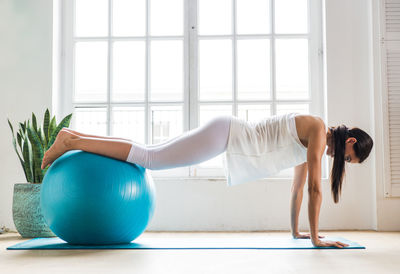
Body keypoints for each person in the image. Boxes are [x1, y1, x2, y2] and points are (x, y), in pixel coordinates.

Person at [40, 112, 373, 248]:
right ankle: (72, 142)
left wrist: (297, 232)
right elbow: (316, 187)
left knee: (149, 152)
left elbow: (298, 188)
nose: (339, 161)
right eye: (347, 158)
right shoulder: (317, 129)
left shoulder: (311, 143)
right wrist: (317, 239)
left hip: (226, 134)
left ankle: (73, 135)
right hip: (227, 135)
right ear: (349, 142)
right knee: (150, 159)